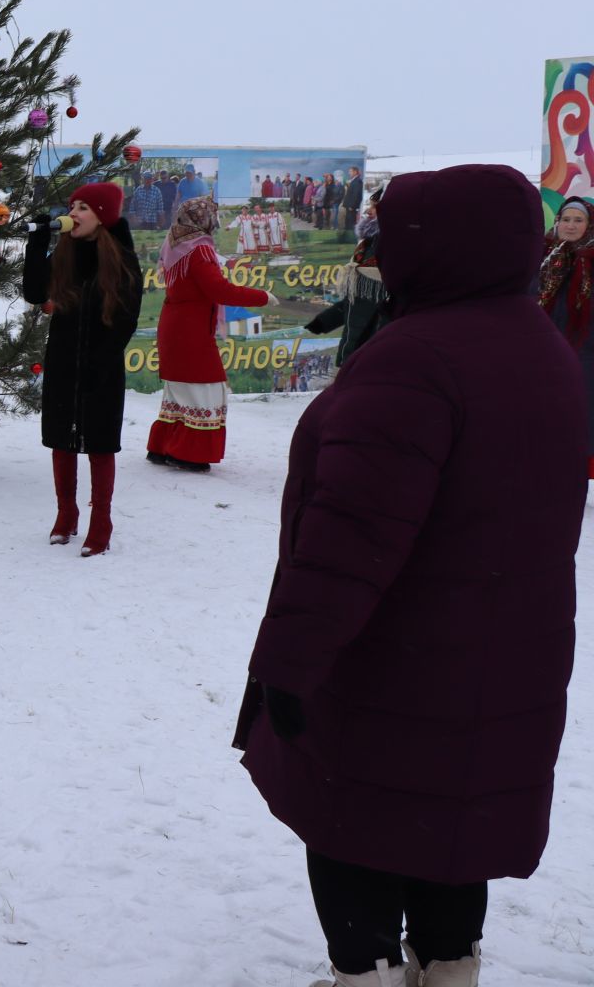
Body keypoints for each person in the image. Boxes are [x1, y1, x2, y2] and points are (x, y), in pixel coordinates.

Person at [234, 165, 581, 987]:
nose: (381, 251)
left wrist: (289, 662)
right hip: (504, 659)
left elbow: (349, 538)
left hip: (393, 658)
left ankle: (367, 974)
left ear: (444, 245)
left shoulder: (415, 361)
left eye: (396, 236)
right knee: (452, 823)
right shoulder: (541, 346)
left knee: (355, 817)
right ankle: (449, 971)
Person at [22, 182, 142, 556]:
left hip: (101, 367)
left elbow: (125, 321)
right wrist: (37, 243)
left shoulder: (122, 259)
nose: (73, 213)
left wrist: (100, 364)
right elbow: (34, 292)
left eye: (84, 208)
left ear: (103, 216)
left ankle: (101, 520)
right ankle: (66, 514)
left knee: (100, 446)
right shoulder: (65, 252)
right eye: (73, 206)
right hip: (63, 361)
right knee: (62, 441)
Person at [146, 197, 271, 472]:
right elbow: (219, 290)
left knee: (179, 391)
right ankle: (188, 453)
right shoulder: (199, 248)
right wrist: (263, 296)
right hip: (191, 330)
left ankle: (164, 446)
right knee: (206, 391)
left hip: (175, 325)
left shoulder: (175, 240)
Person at [537, 195, 594, 478]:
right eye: (566, 220)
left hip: (584, 349)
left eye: (578, 220)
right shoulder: (544, 255)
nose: (570, 226)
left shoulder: (590, 260)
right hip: (543, 347)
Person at [306, 191, 391, 372]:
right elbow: (356, 301)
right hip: (354, 351)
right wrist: (324, 322)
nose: (368, 211)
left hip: (369, 358)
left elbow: (374, 305)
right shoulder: (368, 244)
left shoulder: (388, 247)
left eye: (374, 207)